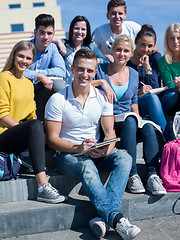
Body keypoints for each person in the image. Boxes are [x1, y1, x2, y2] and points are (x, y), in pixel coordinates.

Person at [45, 49, 141, 240]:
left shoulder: (101, 97)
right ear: (72, 69)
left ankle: (103, 218)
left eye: (89, 71)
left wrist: (107, 147)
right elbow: (53, 139)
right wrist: (78, 148)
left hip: (94, 150)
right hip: (68, 155)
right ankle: (116, 218)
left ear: (95, 72)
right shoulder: (57, 99)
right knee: (87, 166)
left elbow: (110, 132)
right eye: (80, 69)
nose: (85, 75)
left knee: (125, 158)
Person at [94, 35, 167, 195]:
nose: (121, 53)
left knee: (147, 127)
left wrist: (136, 114)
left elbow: (133, 100)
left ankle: (152, 175)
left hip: (129, 122)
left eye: (126, 51)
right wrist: (101, 82)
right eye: (118, 49)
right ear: (112, 51)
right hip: (108, 123)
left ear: (130, 53)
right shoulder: (100, 70)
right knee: (131, 120)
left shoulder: (133, 73)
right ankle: (132, 174)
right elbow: (81, 84)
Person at [0, 40, 67, 204]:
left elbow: (32, 114)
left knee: (47, 129)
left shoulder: (28, 84)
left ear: (32, 61)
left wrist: (40, 133)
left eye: (28, 58)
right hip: (3, 136)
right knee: (34, 127)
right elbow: (2, 115)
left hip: (18, 136)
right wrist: (27, 131)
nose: (24, 61)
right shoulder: (4, 78)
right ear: (14, 56)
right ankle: (43, 185)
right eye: (20, 56)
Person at [127, 25, 172, 142]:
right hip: (136, 102)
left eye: (150, 46)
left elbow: (155, 87)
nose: (146, 49)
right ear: (136, 41)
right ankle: (169, 141)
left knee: (164, 96)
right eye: (143, 44)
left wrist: (147, 67)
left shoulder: (155, 58)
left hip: (154, 100)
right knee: (152, 99)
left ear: (154, 46)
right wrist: (138, 92)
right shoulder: (127, 61)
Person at [23, 14, 66, 121]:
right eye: (42, 32)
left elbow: (61, 71)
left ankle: (61, 120)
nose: (46, 37)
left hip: (41, 88)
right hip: (23, 88)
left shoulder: (53, 48)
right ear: (35, 32)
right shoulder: (24, 47)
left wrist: (41, 74)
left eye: (49, 33)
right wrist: (38, 75)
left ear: (53, 34)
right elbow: (16, 70)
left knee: (60, 84)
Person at [54, 15, 109, 85]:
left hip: (84, 86)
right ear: (71, 30)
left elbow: (106, 61)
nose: (80, 32)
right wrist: (58, 41)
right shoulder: (64, 44)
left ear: (87, 31)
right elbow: (48, 39)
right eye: (76, 28)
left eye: (83, 29)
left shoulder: (91, 46)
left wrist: (96, 60)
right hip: (66, 86)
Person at [158, 23, 180, 112]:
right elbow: (170, 85)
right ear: (167, 41)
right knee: (173, 94)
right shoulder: (163, 62)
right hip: (174, 95)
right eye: (171, 38)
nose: (175, 42)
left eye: (178, 38)